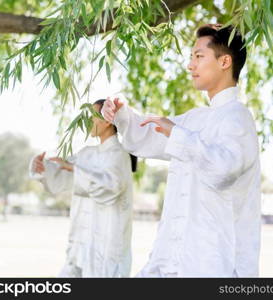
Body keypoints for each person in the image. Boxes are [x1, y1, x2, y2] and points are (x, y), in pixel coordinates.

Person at [102, 24, 261, 277]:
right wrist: (121, 114)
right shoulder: (194, 119)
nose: (190, 65)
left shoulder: (238, 118)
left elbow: (223, 170)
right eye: (191, 58)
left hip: (212, 265)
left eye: (198, 56)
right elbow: (147, 136)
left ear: (225, 61)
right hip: (169, 261)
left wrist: (176, 134)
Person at [29, 99, 137, 277]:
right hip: (81, 244)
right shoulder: (87, 154)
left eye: (93, 116)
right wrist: (43, 168)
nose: (87, 122)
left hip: (106, 247)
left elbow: (111, 187)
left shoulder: (119, 154)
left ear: (108, 120)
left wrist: (73, 168)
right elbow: (64, 178)